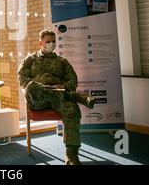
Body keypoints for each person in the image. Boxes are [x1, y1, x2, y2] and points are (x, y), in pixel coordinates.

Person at [17, 29, 96, 165]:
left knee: (72, 109)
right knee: (33, 86)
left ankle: (71, 155)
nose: (51, 44)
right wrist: (38, 86)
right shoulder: (30, 59)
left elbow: (72, 80)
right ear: (40, 42)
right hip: (38, 100)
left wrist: (61, 87)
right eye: (48, 42)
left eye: (53, 41)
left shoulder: (62, 61)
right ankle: (78, 97)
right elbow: (21, 78)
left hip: (57, 98)